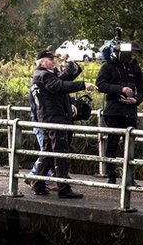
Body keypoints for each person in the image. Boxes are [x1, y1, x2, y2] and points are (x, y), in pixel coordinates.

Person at [29, 49, 95, 198]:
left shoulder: (40, 75)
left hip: (47, 119)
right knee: (60, 153)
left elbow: (65, 78)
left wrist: (70, 64)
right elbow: (60, 86)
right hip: (54, 119)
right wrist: (83, 85)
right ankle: (63, 188)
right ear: (42, 61)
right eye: (50, 59)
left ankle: (37, 184)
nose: (53, 61)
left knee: (47, 153)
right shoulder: (44, 75)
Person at [96, 41, 143, 184]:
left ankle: (129, 177)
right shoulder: (108, 66)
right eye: (131, 54)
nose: (133, 57)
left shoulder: (135, 68)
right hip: (113, 111)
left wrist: (136, 100)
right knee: (112, 143)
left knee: (129, 145)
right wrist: (121, 89)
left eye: (134, 55)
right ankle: (111, 176)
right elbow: (100, 85)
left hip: (130, 112)